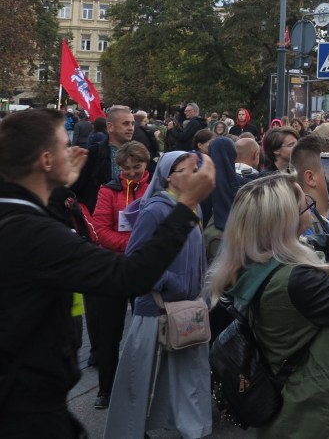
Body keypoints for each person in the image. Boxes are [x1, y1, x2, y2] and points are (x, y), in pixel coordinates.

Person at [0, 110, 215, 439]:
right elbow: (129, 275)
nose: (73, 149)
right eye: (64, 144)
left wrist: (57, 192)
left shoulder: (23, 214)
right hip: (25, 408)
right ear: (46, 160)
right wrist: (185, 206)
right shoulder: (32, 233)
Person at [206, 171, 329, 438]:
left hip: (292, 404)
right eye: (303, 202)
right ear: (287, 220)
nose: (310, 204)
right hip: (316, 412)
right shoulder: (295, 279)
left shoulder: (261, 259)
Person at [103, 152, 217, 439]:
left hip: (188, 308)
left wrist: (202, 291)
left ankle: (193, 429)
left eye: (196, 169)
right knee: (141, 376)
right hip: (156, 308)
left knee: (189, 372)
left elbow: (198, 256)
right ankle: (130, 432)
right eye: (186, 169)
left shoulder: (194, 207)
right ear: (169, 176)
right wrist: (172, 283)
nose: (194, 174)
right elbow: (136, 259)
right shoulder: (154, 209)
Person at [88, 141, 153, 409]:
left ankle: (143, 387)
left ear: (145, 165)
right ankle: (106, 389)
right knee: (109, 332)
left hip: (143, 266)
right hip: (115, 265)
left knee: (144, 334)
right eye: (126, 169)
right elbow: (99, 228)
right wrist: (129, 245)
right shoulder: (108, 190)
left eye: (136, 167)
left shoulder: (155, 188)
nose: (131, 173)